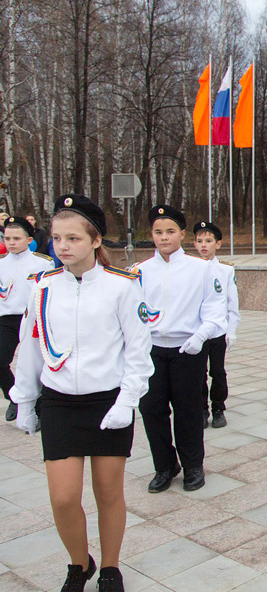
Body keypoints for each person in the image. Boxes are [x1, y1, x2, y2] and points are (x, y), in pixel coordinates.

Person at [11, 194, 154, 592]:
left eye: (73, 238)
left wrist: (127, 401)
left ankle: (110, 567)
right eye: (57, 238)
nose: (62, 246)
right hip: (59, 402)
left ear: (94, 240)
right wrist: (23, 399)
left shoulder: (121, 287)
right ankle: (79, 563)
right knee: (62, 498)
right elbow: (30, 345)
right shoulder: (41, 287)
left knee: (108, 494)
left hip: (107, 401)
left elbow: (138, 352)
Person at [136, 205, 226, 493]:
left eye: (170, 232)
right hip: (151, 350)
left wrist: (200, 336)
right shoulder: (138, 272)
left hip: (187, 349)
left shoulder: (200, 269)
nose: (164, 238)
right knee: (152, 409)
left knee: (187, 409)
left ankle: (192, 465)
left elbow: (214, 312)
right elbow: (131, 314)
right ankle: (165, 465)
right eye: (158, 232)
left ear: (182, 234)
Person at [0, 216, 54, 421]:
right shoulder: (1, 264)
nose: (11, 242)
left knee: (37, 363)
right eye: (7, 238)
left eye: (16, 238)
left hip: (33, 319)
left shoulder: (42, 263)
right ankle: (14, 396)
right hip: (7, 319)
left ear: (29, 239)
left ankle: (39, 404)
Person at [193, 221, 240, 429]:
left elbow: (232, 304)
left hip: (218, 332)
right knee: (198, 373)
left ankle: (218, 408)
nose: (204, 245)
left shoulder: (225, 271)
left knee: (217, 372)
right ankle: (202, 409)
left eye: (208, 241)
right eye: (199, 241)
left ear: (218, 244)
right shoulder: (189, 270)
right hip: (195, 332)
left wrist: (231, 330)